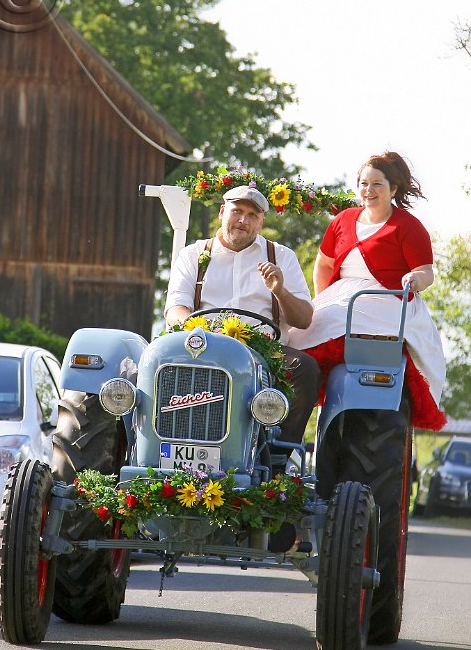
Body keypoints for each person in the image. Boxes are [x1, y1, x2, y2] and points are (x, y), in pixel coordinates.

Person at [288, 151, 446, 431]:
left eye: (377, 184)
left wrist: (415, 279)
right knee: (293, 341)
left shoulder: (407, 226)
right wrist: (323, 299)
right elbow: (324, 263)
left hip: (388, 297)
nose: (368, 190)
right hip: (342, 297)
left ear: (393, 188)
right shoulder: (343, 220)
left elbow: (426, 271)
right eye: (363, 183)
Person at [164, 184, 322, 446]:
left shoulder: (281, 257)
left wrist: (280, 291)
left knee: (305, 368)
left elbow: (303, 319)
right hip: (203, 348)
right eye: (237, 211)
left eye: (252, 215)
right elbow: (175, 309)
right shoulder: (193, 255)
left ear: (261, 222)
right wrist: (196, 331)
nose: (243, 220)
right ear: (222, 212)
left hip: (265, 353)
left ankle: (278, 458)